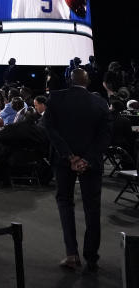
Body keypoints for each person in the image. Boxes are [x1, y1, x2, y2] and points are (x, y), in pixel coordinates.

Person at [43, 68, 113, 272]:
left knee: (65, 203)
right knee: (93, 209)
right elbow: (106, 136)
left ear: (69, 80)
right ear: (88, 81)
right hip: (91, 163)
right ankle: (92, 257)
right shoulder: (100, 102)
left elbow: (49, 129)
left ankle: (71, 254)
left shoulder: (55, 98)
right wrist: (86, 159)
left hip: (64, 161)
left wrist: (69, 155)